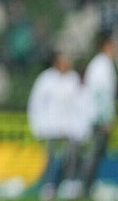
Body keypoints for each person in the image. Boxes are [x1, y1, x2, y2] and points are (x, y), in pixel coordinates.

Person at [28, 52, 83, 201]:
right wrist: (38, 126)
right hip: (50, 128)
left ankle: (68, 185)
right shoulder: (46, 79)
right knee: (51, 158)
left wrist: (79, 126)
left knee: (70, 158)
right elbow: (36, 103)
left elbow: (79, 104)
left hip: (69, 128)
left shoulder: (72, 79)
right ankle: (49, 186)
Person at [79, 32, 116, 197]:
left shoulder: (97, 64)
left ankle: (87, 187)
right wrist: (106, 118)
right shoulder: (103, 65)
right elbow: (103, 94)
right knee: (95, 154)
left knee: (96, 154)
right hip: (99, 118)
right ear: (106, 46)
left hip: (93, 115)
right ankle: (85, 187)